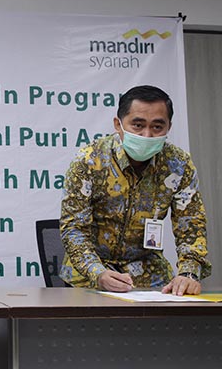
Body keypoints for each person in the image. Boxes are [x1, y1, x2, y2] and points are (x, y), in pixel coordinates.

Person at [59, 85, 210, 296]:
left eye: (157, 127)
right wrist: (97, 272)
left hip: (151, 280)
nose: (147, 134)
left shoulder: (178, 164)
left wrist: (189, 273)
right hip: (89, 278)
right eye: (138, 125)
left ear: (169, 127)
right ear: (118, 124)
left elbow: (191, 225)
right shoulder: (90, 160)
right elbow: (74, 227)